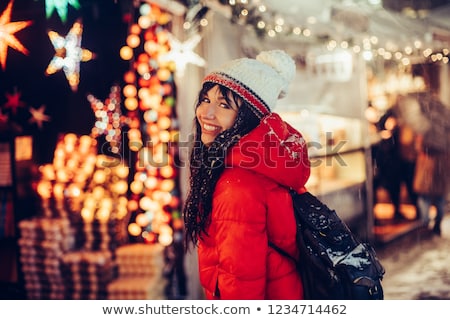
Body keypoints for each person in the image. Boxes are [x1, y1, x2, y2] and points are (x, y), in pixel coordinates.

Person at [182, 50, 310, 299]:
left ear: (249, 118)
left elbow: (240, 285)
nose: (206, 113)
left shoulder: (236, 186)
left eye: (223, 104)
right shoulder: (255, 165)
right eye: (205, 99)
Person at [413, 133, 450, 236]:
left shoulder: (425, 132)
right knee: (439, 200)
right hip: (441, 170)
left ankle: (425, 224)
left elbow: (418, 147)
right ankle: (436, 225)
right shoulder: (445, 132)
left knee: (425, 199)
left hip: (427, 169)